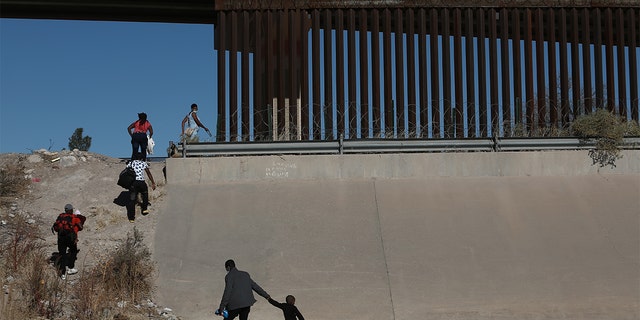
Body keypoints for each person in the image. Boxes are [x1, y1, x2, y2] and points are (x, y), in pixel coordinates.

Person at [51, 204, 86, 279]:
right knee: (73, 251)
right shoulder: (74, 218)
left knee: (62, 254)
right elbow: (81, 227)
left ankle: (63, 273)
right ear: (70, 210)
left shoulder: (61, 216)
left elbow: (57, 227)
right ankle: (70, 268)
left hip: (60, 238)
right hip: (70, 238)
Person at [126, 152, 156, 222]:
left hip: (133, 183)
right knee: (145, 194)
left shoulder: (131, 163)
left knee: (132, 200)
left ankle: (131, 218)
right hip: (142, 182)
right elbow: (148, 173)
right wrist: (153, 182)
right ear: (142, 158)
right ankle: (145, 209)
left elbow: (127, 171)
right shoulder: (143, 163)